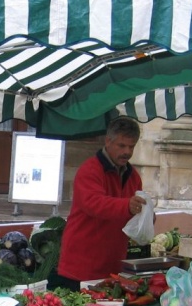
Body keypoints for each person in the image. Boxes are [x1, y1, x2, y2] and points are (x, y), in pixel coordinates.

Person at [49, 116, 149, 291]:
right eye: (122, 146)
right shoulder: (90, 170)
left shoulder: (133, 177)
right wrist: (127, 206)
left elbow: (131, 214)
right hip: (80, 266)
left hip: (112, 266)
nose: (127, 151)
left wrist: (146, 216)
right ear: (108, 141)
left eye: (131, 146)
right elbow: (94, 204)